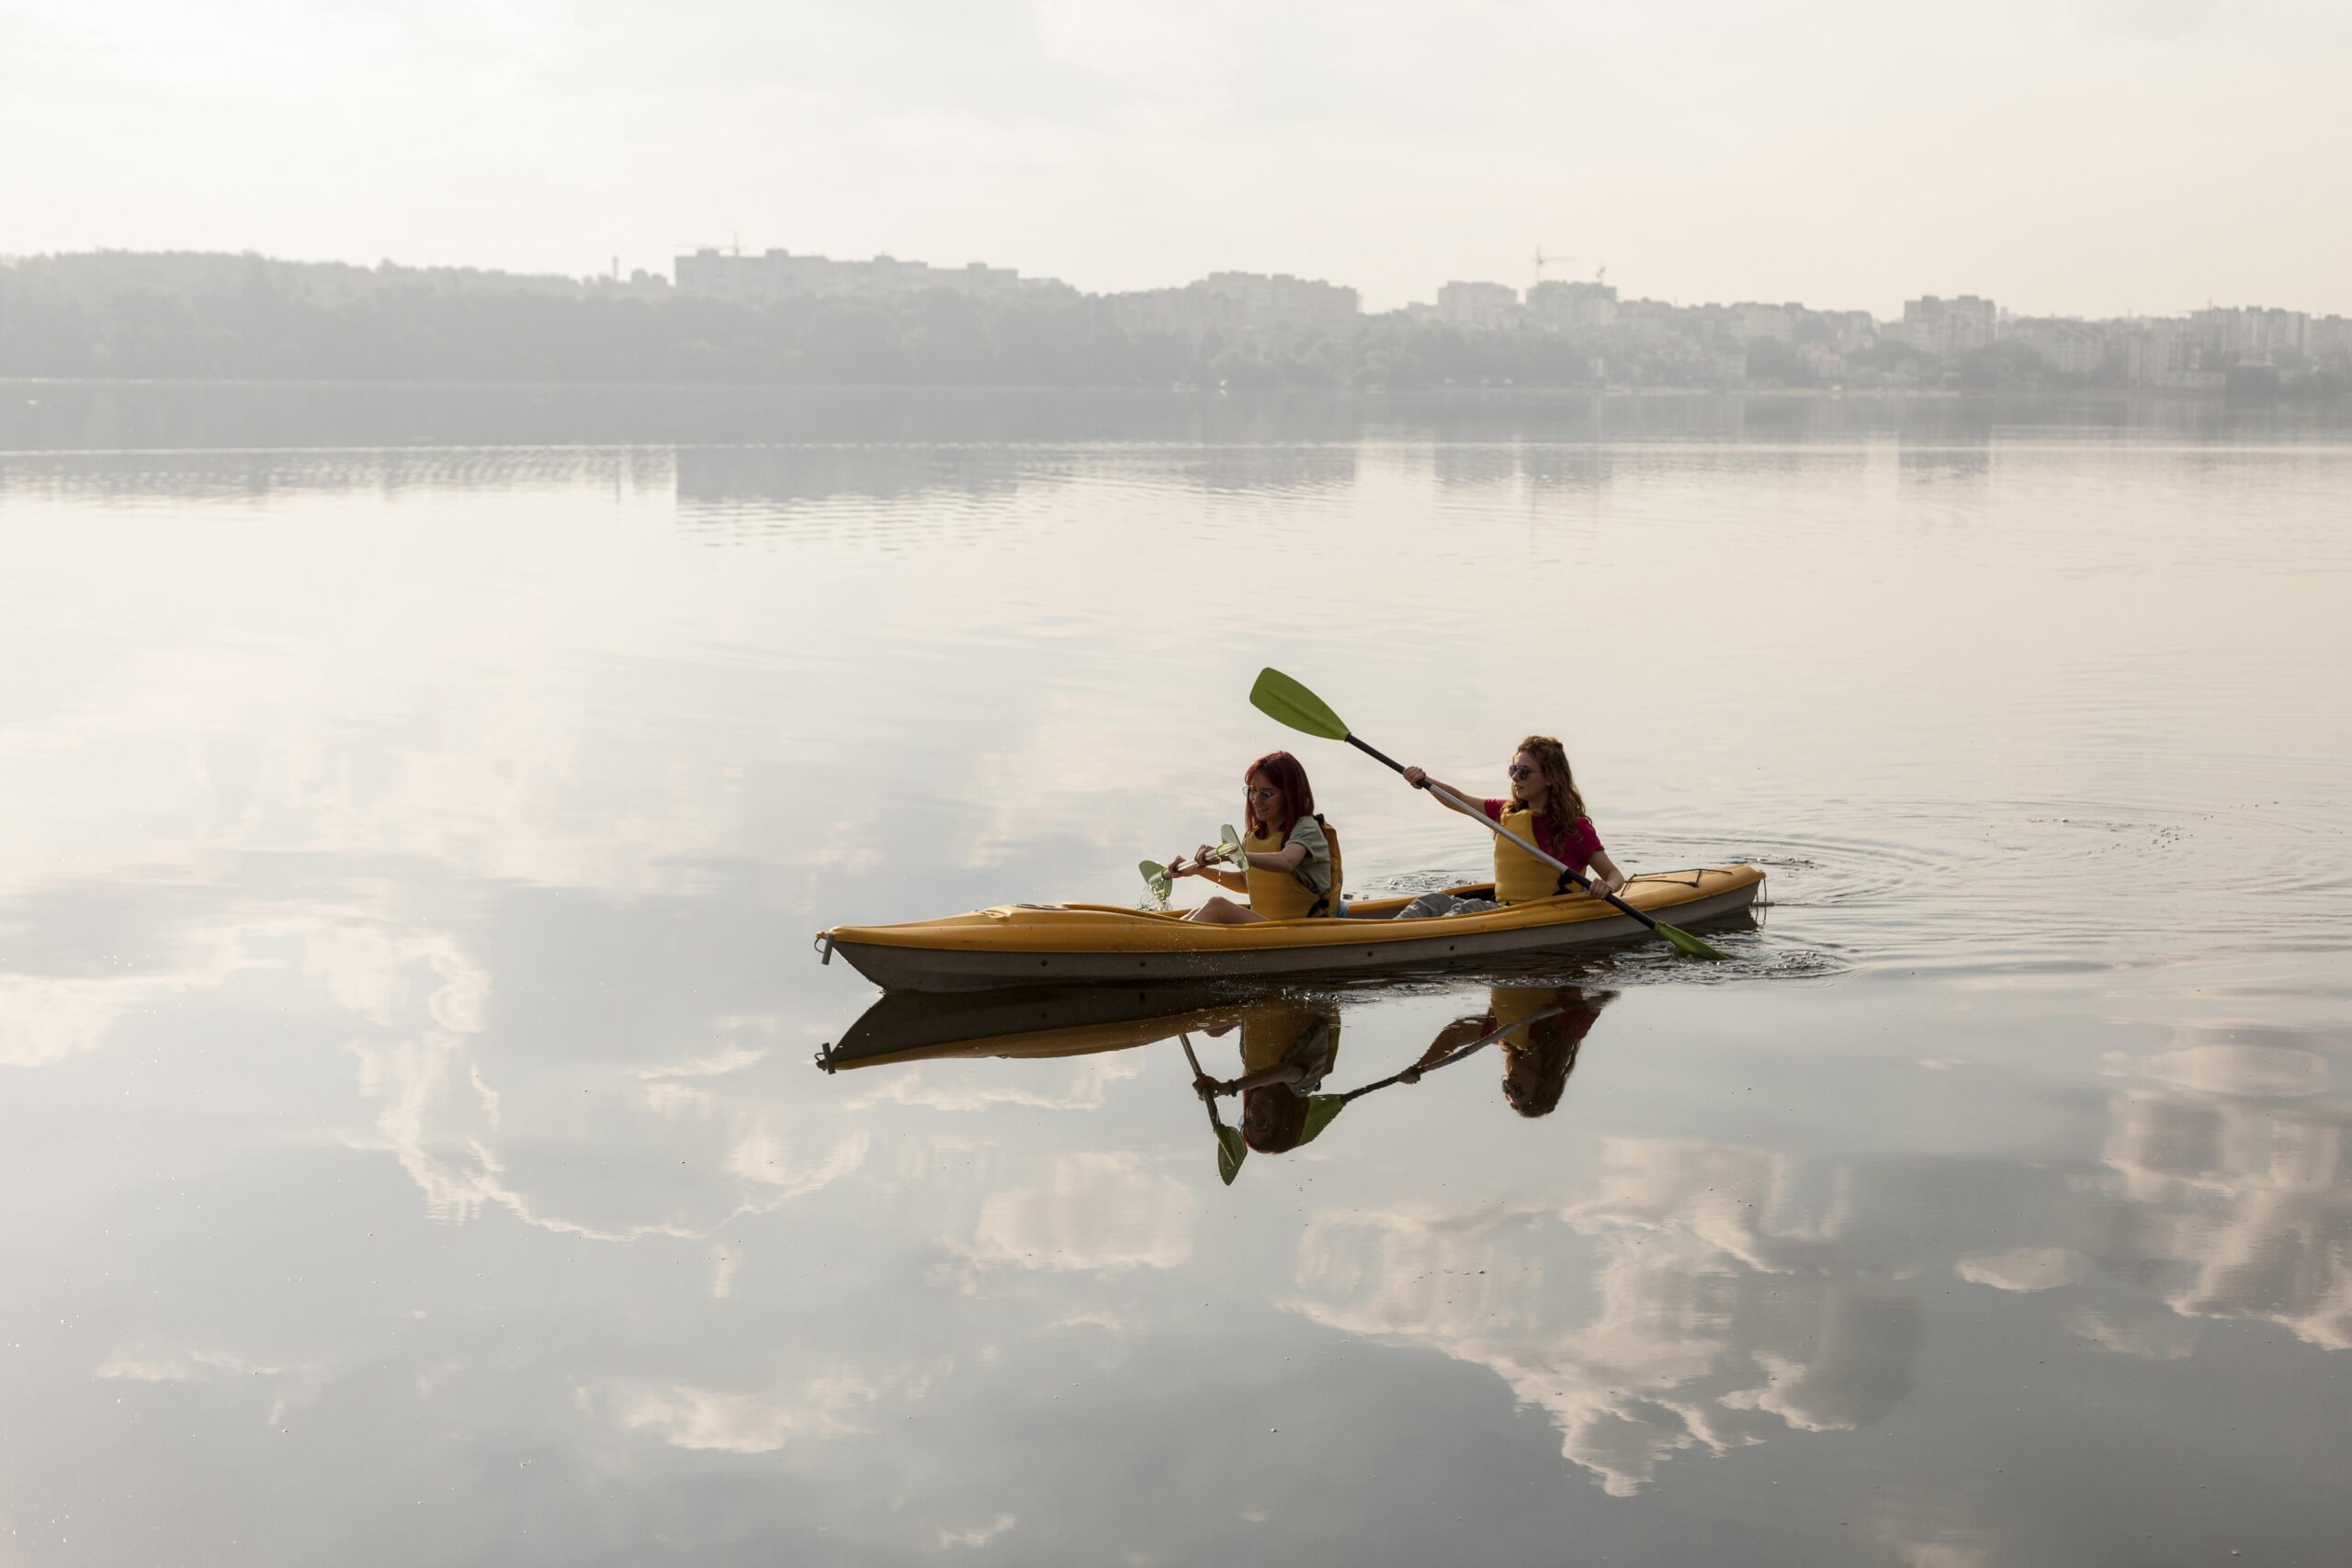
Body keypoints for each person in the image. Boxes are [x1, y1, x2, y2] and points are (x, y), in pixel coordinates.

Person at [1398, 735, 1626, 908]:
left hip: (1540, 912)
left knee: (1467, 909)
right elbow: (1458, 799)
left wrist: (1606, 886)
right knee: (1430, 902)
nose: (1516, 778)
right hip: (1501, 909)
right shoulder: (1505, 811)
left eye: (1524, 772)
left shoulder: (1573, 827)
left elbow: (1614, 875)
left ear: (1551, 778)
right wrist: (1424, 781)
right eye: (1513, 770)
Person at [1165, 750, 1344, 924]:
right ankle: (1160, 944)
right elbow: (1246, 883)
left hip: (1306, 934)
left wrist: (1234, 855)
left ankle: (1164, 949)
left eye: (1267, 794)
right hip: (1268, 931)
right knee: (1200, 910)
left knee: (1217, 906)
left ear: (1290, 796)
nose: (1256, 801)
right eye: (1252, 791)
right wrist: (1198, 870)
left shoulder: (1306, 828)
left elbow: (1287, 861)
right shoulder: (1254, 836)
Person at [1191, 994, 1341, 1152]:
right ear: (1285, 1118)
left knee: (1213, 1029)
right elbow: (1285, 1071)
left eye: (1247, 1121)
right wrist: (1229, 1088)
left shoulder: (1252, 1069)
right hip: (1299, 996)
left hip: (1259, 1000)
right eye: (1262, 1123)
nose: (1253, 1113)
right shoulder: (1303, 1087)